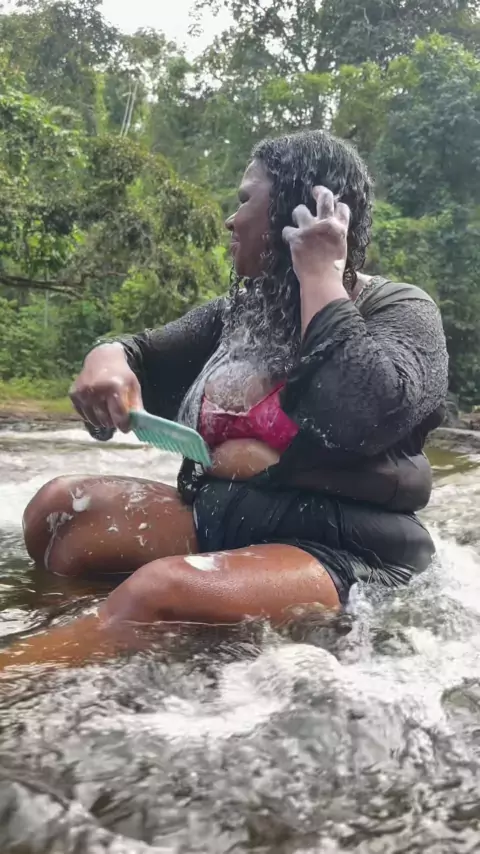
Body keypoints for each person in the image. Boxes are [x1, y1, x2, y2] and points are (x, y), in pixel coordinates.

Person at [4, 130, 448, 669]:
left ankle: (38, 670)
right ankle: (98, 646)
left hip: (346, 548)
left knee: (156, 594)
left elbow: (361, 411)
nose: (230, 221)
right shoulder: (243, 313)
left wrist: (320, 277)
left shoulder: (401, 309)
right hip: (228, 518)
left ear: (296, 210)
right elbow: (143, 352)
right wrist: (109, 357)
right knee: (59, 514)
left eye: (244, 201)